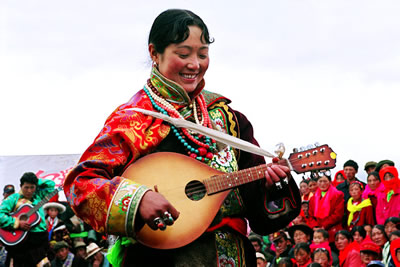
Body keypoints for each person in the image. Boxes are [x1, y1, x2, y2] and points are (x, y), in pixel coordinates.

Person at [63, 9, 301, 267]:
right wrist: (137, 198)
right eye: (183, 54)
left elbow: (262, 218)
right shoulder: (133, 120)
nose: (195, 64)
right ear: (155, 53)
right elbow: (81, 183)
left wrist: (271, 185)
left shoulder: (228, 120)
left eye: (202, 54)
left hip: (231, 257)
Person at [0, 172, 55, 266]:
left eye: (32, 187)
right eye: (26, 187)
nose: (29, 191)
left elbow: (51, 185)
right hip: (23, 241)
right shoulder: (13, 199)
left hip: (41, 238)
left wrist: (37, 181)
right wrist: (16, 223)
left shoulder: (38, 195)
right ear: (21, 186)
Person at [307, 171, 344, 243]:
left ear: (330, 182)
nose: (322, 184)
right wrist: (315, 227)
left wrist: (324, 226)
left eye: (325, 181)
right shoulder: (313, 198)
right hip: (317, 232)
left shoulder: (337, 195)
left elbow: (337, 215)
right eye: (320, 181)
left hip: (332, 231)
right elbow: (310, 216)